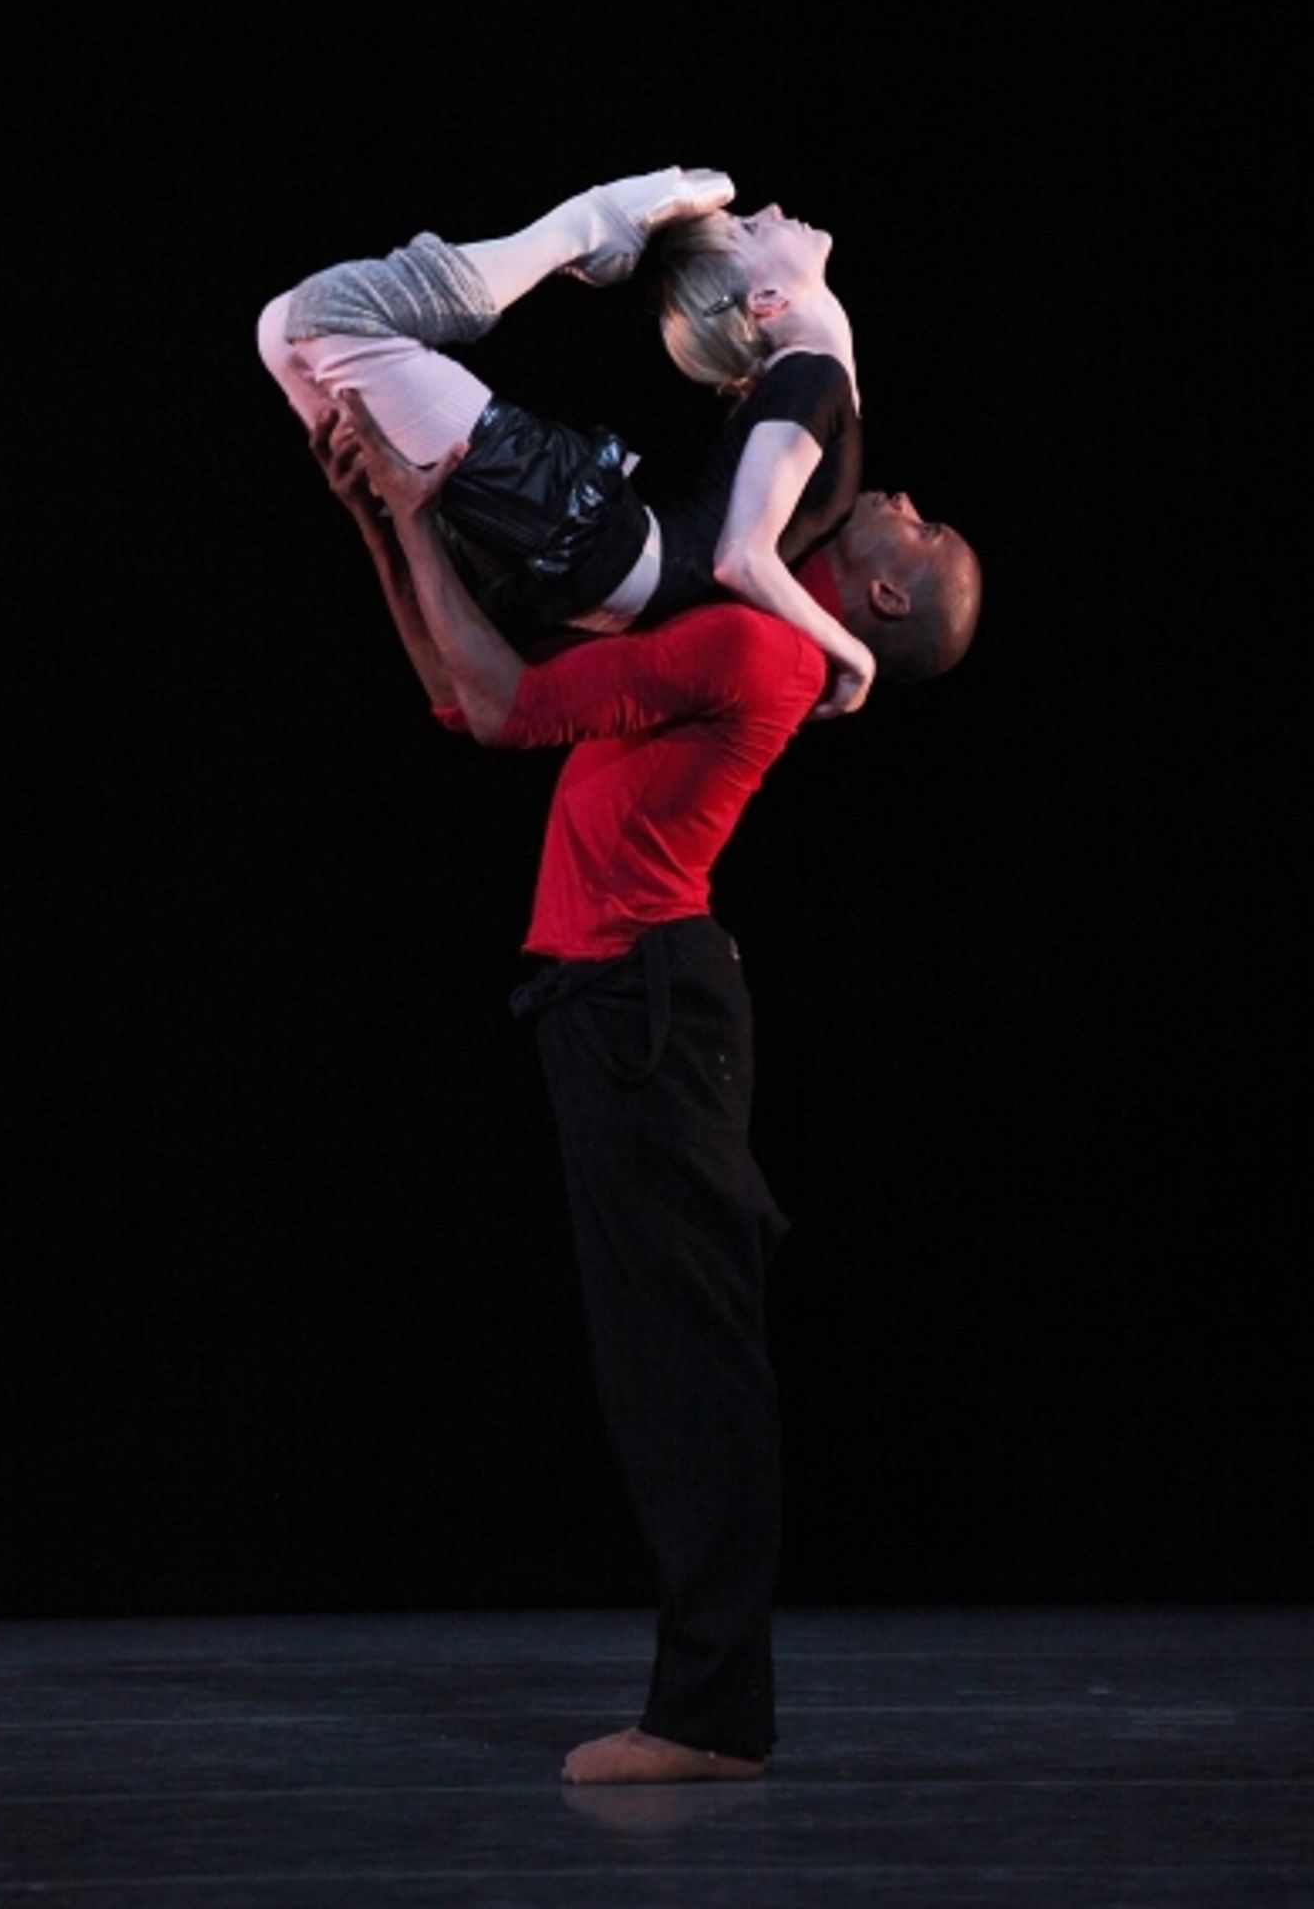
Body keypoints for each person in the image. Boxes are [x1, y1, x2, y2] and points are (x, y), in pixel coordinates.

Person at [305, 387, 981, 1784]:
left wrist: (423, 515)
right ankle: (710, 1706)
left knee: (684, 1361)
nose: (902, 501)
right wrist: (386, 521)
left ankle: (712, 1718)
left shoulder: (750, 645)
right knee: (664, 1354)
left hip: (643, 1008)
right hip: (617, 1001)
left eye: (925, 526)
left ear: (892, 590)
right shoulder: (750, 610)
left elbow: (503, 704)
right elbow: (459, 689)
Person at [257, 166, 884, 713]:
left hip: (597, 547)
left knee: (327, 313)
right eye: (752, 224)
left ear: (768, 301)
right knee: (283, 327)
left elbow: (741, 558)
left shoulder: (811, 376)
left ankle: (587, 224)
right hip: (594, 563)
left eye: (746, 227)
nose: (770, 212)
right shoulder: (810, 379)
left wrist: (856, 656)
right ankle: (590, 226)